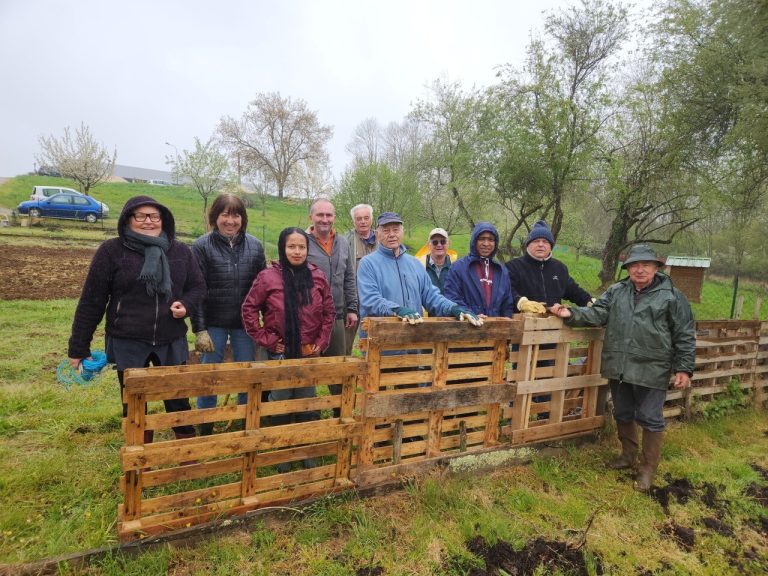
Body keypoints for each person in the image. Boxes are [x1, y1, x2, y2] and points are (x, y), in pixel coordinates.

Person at [549, 244, 695, 491]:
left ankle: (647, 468)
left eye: (645, 265)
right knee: (623, 412)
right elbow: (597, 314)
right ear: (627, 269)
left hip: (653, 366)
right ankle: (628, 456)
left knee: (650, 418)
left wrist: (684, 368)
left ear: (656, 267)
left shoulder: (671, 296)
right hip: (620, 364)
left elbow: (684, 334)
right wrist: (570, 313)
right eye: (634, 266)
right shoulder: (617, 291)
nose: (639, 270)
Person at [68, 195, 206, 446]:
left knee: (177, 399)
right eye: (140, 216)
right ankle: (139, 455)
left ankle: (186, 451)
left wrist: (185, 305)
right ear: (127, 219)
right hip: (128, 339)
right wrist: (79, 346)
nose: (148, 222)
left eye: (154, 216)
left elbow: (198, 287)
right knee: (133, 399)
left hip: (170, 338)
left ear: (163, 219)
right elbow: (92, 301)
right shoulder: (111, 251)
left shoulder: (180, 251)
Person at [241, 227, 335, 469]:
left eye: (301, 247)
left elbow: (328, 312)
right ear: (283, 248)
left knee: (306, 400)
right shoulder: (268, 277)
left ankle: (305, 448)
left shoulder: (317, 276)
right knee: (280, 399)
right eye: (291, 246)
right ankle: (281, 449)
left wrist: (321, 343)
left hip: (307, 353)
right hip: (280, 352)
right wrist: (268, 340)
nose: (297, 251)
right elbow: (249, 310)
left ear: (307, 249)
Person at [191, 193, 266, 435]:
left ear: (242, 219)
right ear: (215, 217)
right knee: (210, 378)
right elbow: (196, 289)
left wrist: (267, 323)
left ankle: (245, 423)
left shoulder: (255, 246)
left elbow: (264, 287)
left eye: (236, 215)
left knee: (246, 374)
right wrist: (199, 329)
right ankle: (206, 426)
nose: (230, 220)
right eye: (225, 214)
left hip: (245, 325)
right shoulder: (202, 246)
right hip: (214, 323)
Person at [357, 212, 483, 331]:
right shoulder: (368, 264)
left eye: (395, 230)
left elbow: (431, 296)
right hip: (381, 342)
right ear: (377, 234)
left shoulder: (415, 263)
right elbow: (370, 300)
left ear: (402, 232)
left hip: (414, 338)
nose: (391, 234)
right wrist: (396, 310)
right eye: (386, 230)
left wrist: (454, 308)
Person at [306, 198, 358, 413]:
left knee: (338, 368)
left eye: (329, 215)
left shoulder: (343, 242)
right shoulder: (302, 241)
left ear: (334, 217)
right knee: (308, 369)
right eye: (320, 215)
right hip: (309, 318)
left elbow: (349, 276)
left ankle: (342, 412)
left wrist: (352, 308)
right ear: (311, 217)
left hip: (337, 315)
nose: (324, 219)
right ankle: (306, 414)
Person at [506, 220, 594, 313]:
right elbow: (507, 291)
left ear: (550, 246)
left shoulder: (560, 268)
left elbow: (574, 291)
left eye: (545, 241)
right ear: (528, 245)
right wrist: (521, 303)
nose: (540, 244)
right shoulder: (513, 267)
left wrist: (591, 301)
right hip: (523, 323)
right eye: (536, 241)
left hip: (554, 322)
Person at [444, 222, 516, 317]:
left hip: (496, 328)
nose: (486, 244)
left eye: (490, 239)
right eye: (482, 239)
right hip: (467, 327)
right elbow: (451, 297)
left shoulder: (501, 271)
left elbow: (507, 304)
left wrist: (506, 322)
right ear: (474, 241)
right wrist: (470, 314)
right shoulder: (458, 267)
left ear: (495, 243)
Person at [343, 203, 377, 354]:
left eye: (366, 218)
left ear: (371, 219)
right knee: (346, 343)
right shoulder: (345, 241)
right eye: (359, 219)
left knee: (375, 341)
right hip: (353, 300)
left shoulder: (382, 239)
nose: (363, 221)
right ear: (353, 221)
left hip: (376, 300)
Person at [422, 228, 453, 294]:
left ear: (448, 243)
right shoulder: (420, 266)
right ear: (428, 245)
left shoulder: (456, 266)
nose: (439, 245)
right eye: (435, 242)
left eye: (443, 242)